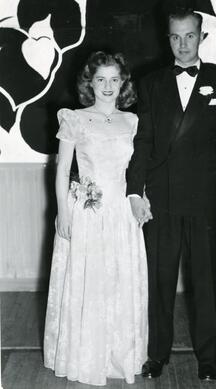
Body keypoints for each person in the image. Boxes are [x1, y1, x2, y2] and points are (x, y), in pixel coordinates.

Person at [126, 6, 216, 381]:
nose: (182, 44)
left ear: (202, 37)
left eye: (189, 36)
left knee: (205, 285)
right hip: (161, 201)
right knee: (159, 282)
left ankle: (208, 359)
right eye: (175, 37)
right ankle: (156, 355)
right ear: (168, 39)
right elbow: (142, 142)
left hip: (206, 201)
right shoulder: (151, 83)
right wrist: (134, 192)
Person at [43, 51, 149, 386]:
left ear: (123, 83)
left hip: (121, 214)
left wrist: (141, 197)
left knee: (118, 282)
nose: (107, 86)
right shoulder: (74, 118)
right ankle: (85, 356)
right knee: (88, 281)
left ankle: (118, 355)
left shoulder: (131, 122)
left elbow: (138, 171)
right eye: (100, 79)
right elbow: (61, 170)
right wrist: (62, 212)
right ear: (90, 83)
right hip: (87, 213)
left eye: (114, 79)